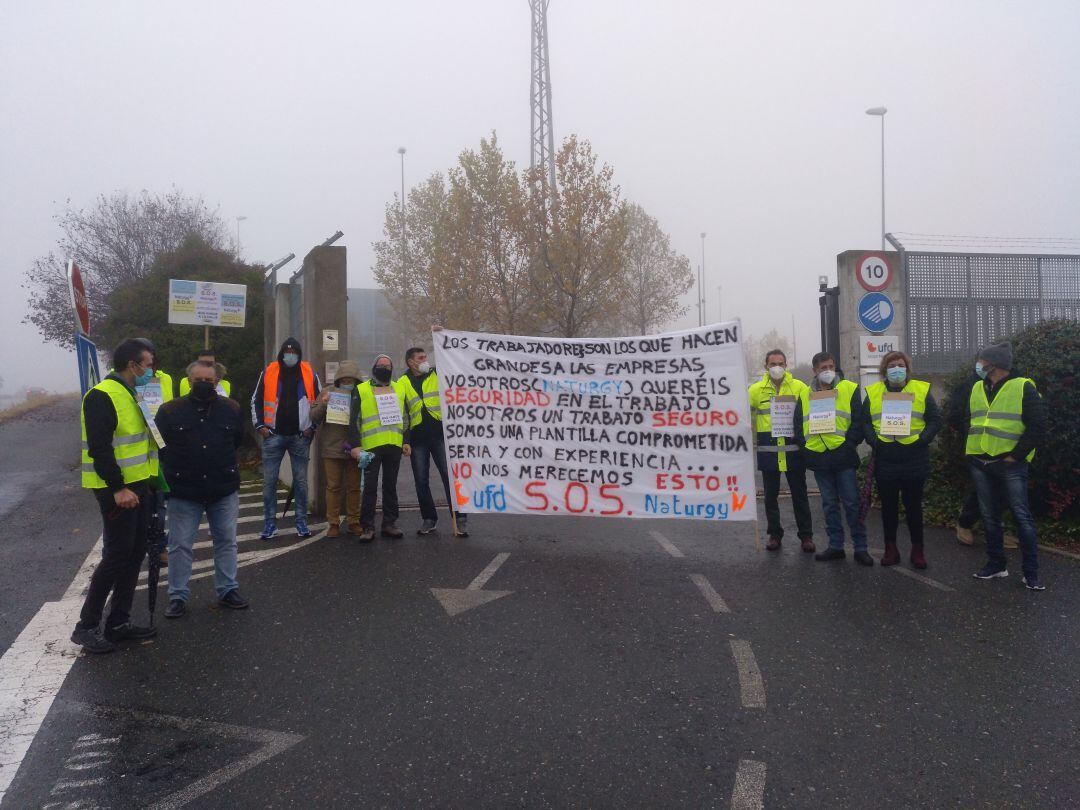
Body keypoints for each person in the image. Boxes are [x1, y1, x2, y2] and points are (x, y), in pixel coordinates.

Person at [71, 338, 161, 653]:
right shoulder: (102, 396)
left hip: (138, 485)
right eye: (148, 364)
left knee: (135, 552)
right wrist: (118, 487)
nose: (152, 369)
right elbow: (99, 447)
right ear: (132, 365)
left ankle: (119, 622)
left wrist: (147, 483)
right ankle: (87, 626)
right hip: (117, 489)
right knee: (117, 556)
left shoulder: (130, 392)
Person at [155, 361, 248, 617]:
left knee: (226, 542)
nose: (204, 385)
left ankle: (228, 590)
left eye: (210, 380)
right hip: (185, 490)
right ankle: (177, 596)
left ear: (217, 382)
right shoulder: (169, 411)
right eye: (199, 380)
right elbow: (159, 447)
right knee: (180, 545)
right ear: (188, 381)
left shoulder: (231, 409)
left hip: (223, 488)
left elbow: (237, 440)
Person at [966, 342, 1047, 590]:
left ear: (994, 365)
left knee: (1022, 517)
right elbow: (969, 419)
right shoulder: (978, 387)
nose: (978, 365)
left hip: (1009, 464)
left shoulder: (1023, 387)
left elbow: (1038, 426)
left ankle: (1031, 573)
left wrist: (1017, 455)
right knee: (990, 517)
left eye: (982, 361)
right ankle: (996, 565)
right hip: (980, 461)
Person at [865, 351, 941, 569]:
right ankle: (891, 549)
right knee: (888, 507)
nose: (896, 369)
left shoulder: (921, 389)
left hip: (914, 458)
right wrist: (873, 441)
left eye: (900, 365)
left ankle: (918, 549)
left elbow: (935, 420)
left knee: (913, 507)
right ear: (884, 370)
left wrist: (922, 440)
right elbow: (864, 422)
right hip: (886, 458)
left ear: (907, 369)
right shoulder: (873, 392)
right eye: (892, 365)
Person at [797, 352, 872, 565]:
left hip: (843, 456)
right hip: (819, 457)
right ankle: (836, 545)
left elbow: (858, 420)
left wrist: (850, 445)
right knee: (829, 504)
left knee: (851, 503)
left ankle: (860, 547)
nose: (828, 371)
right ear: (815, 371)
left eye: (831, 366)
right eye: (823, 368)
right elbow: (798, 425)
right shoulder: (805, 394)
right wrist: (806, 449)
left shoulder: (849, 388)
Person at [251, 337, 320, 540]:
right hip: (273, 435)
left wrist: (312, 427)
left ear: (299, 355)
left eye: (294, 352)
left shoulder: (309, 373)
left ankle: (301, 522)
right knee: (269, 482)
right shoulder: (269, 372)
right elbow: (255, 400)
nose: (290, 355)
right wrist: (260, 426)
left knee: (300, 482)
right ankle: (269, 525)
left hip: (300, 436)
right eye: (287, 352)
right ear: (281, 354)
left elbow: (320, 402)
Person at [748, 349, 815, 553]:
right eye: (772, 364)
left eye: (780, 363)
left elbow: (811, 414)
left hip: (794, 452)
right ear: (766, 366)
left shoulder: (800, 387)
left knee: (800, 495)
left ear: (786, 365)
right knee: (770, 497)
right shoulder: (755, 390)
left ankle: (806, 537)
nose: (776, 367)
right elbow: (741, 414)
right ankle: (774, 535)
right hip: (769, 452)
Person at [397, 347, 468, 537]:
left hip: (440, 435)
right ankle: (429, 518)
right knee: (421, 480)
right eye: (420, 358)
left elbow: (454, 362)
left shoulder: (437, 374)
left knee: (449, 476)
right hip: (417, 439)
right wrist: (405, 440)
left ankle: (459, 518)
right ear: (410, 362)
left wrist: (442, 336)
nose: (425, 360)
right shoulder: (402, 382)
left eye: (425, 357)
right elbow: (402, 414)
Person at [347, 354, 411, 542]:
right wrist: (355, 446)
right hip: (370, 447)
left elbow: (406, 418)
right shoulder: (361, 389)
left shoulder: (399, 388)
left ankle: (389, 524)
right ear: (374, 367)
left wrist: (406, 441)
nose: (384, 367)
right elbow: (354, 420)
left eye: (387, 365)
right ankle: (368, 526)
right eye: (380, 364)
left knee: (390, 486)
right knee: (370, 487)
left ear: (392, 369)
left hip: (393, 445)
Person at [311, 361, 363, 538]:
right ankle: (333, 523)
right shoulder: (327, 392)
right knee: (333, 487)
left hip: (355, 447)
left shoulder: (362, 394)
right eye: (345, 379)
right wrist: (324, 404)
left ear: (356, 380)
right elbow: (313, 416)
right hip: (332, 447)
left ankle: (354, 521)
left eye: (351, 379)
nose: (348, 382)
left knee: (354, 487)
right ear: (339, 379)